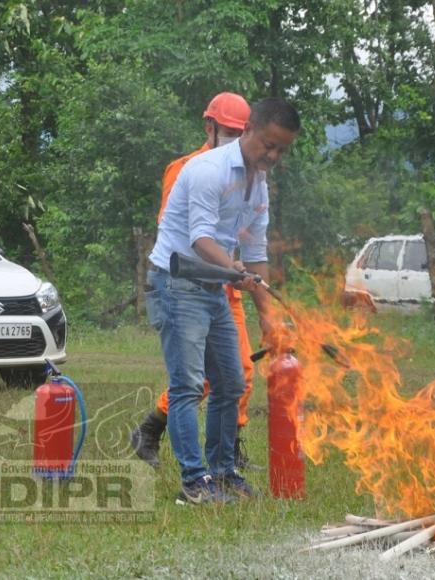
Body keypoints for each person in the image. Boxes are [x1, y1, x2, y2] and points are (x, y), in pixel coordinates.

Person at [145, 97, 300, 504]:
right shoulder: (207, 170)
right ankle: (194, 483)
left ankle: (223, 471)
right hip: (177, 283)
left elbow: (258, 251)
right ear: (248, 130)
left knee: (230, 382)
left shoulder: (259, 184)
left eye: (282, 149)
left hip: (213, 286)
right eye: (268, 144)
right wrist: (237, 273)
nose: (273, 155)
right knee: (188, 386)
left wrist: (267, 315)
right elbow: (200, 239)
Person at [130, 92, 262, 471]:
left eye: (242, 132)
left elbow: (242, 229)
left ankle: (228, 454)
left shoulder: (247, 172)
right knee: (196, 379)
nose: (236, 139)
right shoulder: (187, 168)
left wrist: (241, 262)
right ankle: (154, 431)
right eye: (229, 131)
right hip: (187, 285)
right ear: (210, 127)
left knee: (239, 373)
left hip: (225, 285)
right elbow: (178, 231)